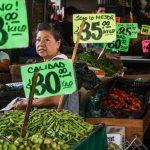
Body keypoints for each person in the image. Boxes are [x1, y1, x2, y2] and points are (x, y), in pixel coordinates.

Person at [14, 23, 79, 114]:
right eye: (38, 40)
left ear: (58, 43)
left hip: (62, 123)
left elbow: (55, 99)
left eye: (47, 40)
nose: (41, 44)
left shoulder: (60, 64)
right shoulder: (49, 63)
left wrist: (26, 103)